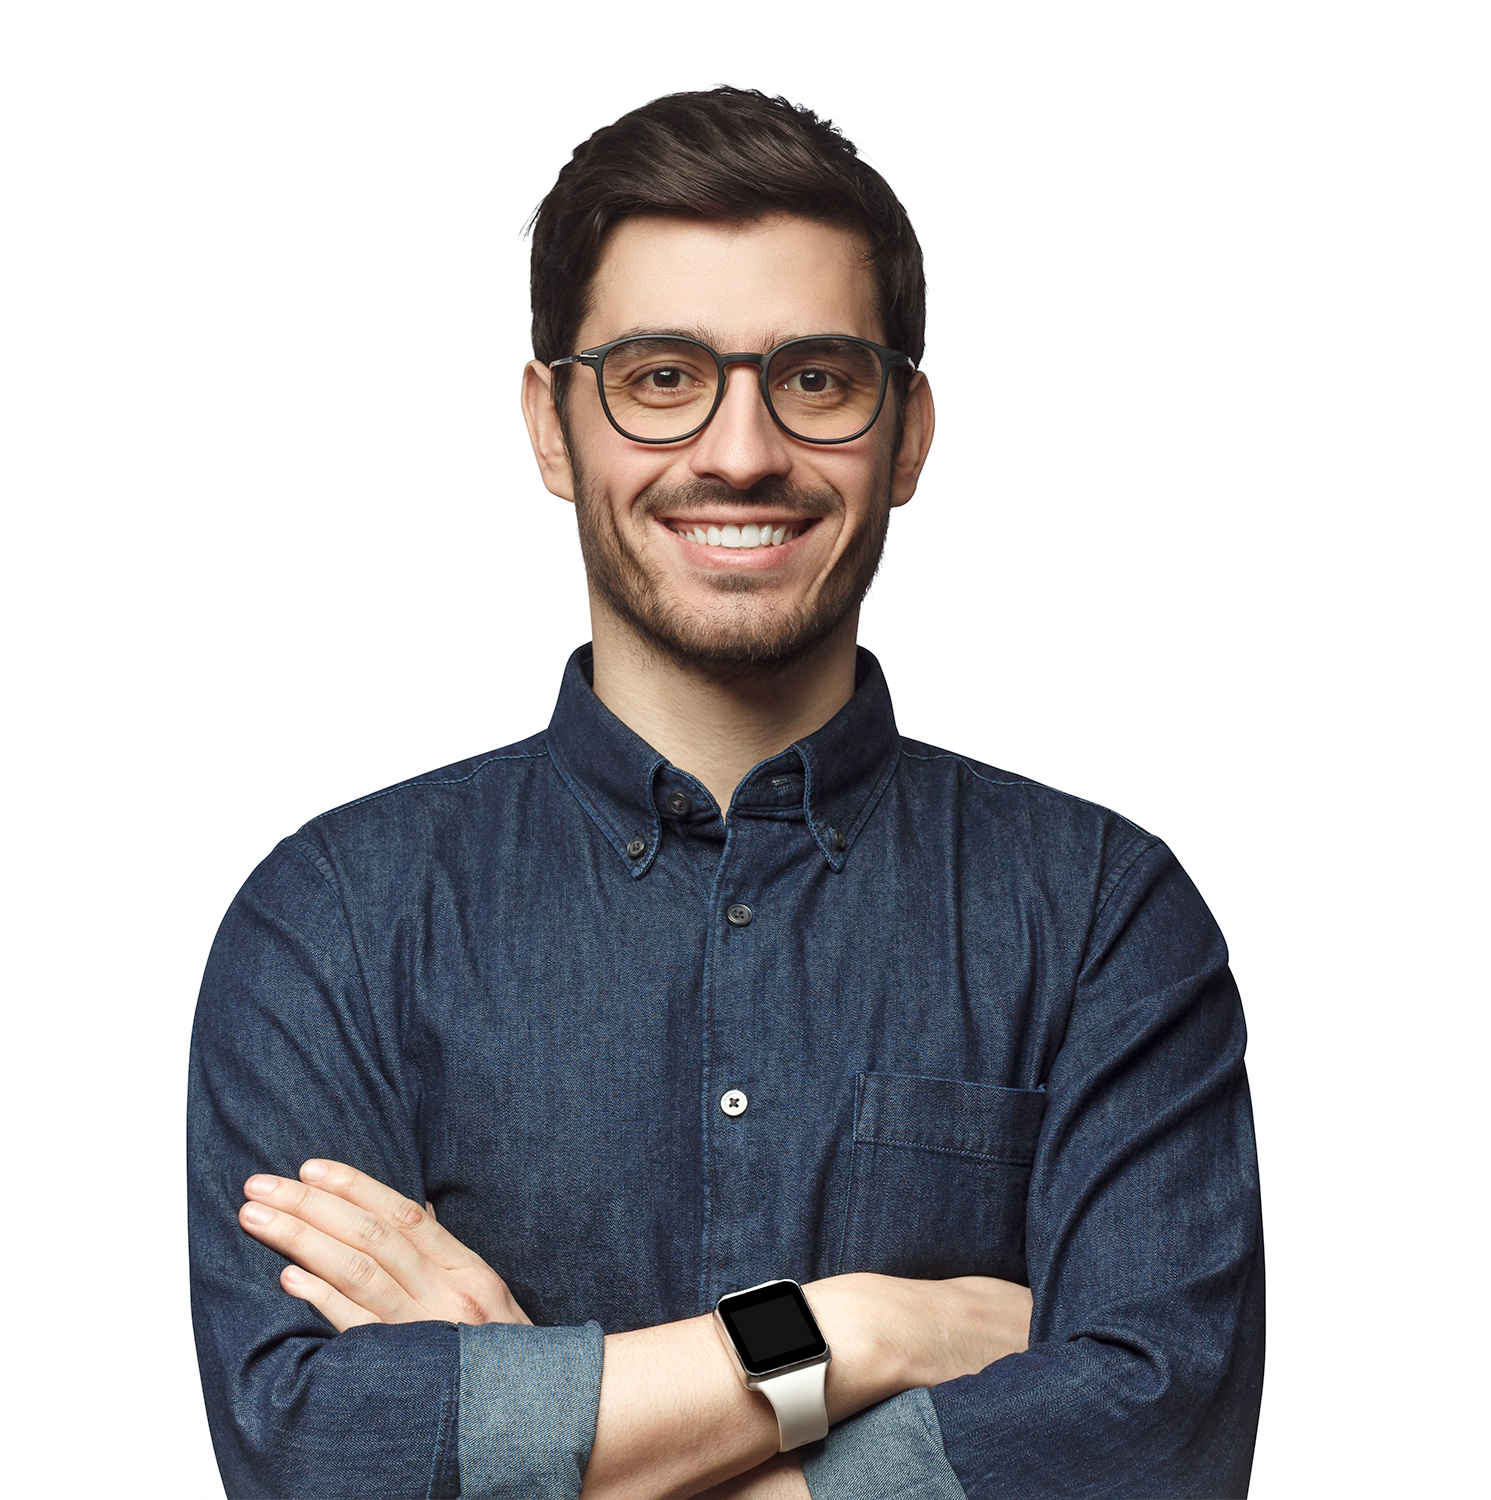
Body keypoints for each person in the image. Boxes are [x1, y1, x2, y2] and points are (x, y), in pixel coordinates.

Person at [188, 87, 1264, 1499]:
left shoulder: (1102, 920)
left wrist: (558, 1437)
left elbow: (1155, 1445)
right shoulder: (334, 924)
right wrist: (868, 1329)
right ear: (552, 426)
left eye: (816, 378)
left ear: (909, 431)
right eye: (660, 377)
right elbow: (315, 1451)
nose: (742, 451)